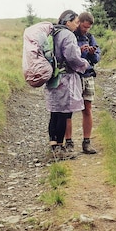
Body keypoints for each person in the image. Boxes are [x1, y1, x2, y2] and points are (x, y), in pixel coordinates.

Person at [44, 10, 91, 160]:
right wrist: (84, 64)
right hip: (65, 79)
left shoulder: (53, 33)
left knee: (54, 112)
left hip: (53, 76)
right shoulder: (68, 35)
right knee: (64, 113)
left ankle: (53, 145)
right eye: (76, 22)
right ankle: (59, 147)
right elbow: (72, 57)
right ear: (67, 21)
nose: (77, 25)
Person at [64, 12, 101, 154]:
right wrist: (78, 51)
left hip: (88, 75)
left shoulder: (90, 38)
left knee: (87, 109)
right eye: (84, 27)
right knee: (68, 111)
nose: (86, 30)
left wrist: (92, 53)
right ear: (79, 22)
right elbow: (67, 55)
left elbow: (97, 58)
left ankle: (87, 142)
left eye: (88, 28)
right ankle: (69, 143)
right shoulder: (70, 36)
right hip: (73, 76)